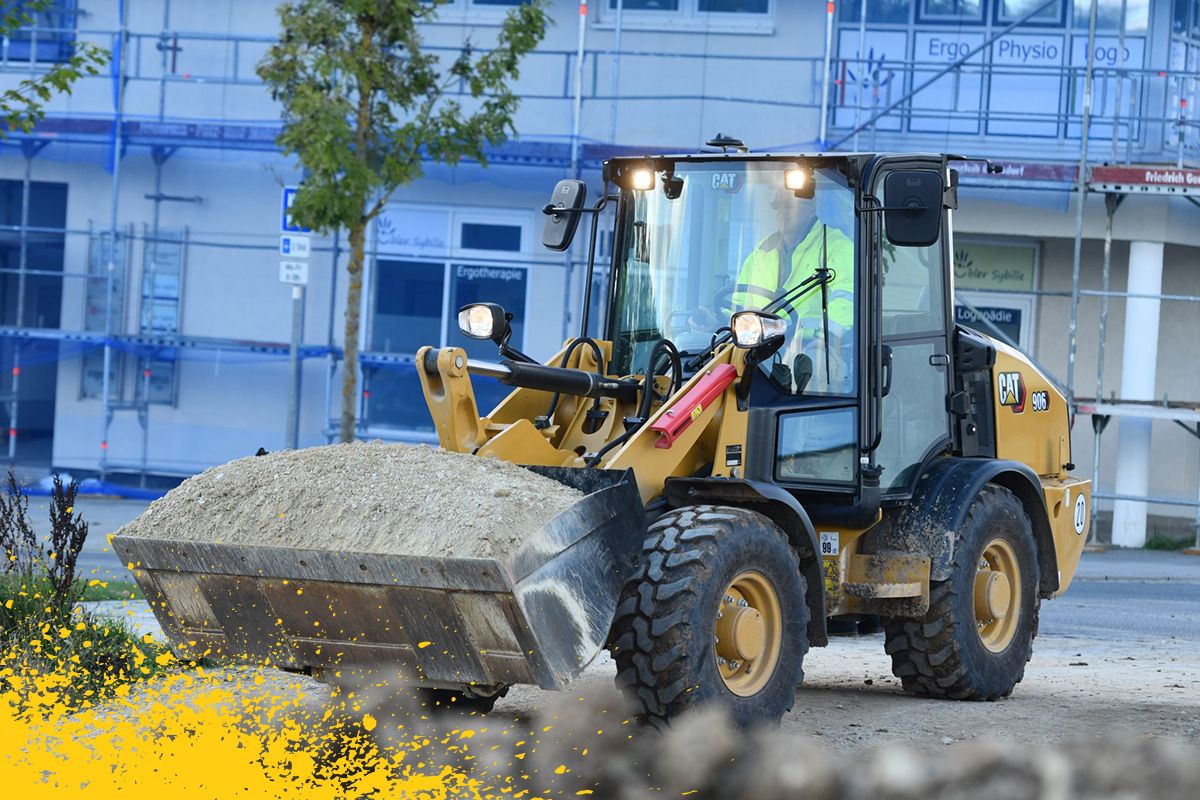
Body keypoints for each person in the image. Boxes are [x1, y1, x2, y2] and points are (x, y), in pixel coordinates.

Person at [733, 186, 855, 393]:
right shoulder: (761, 252)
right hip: (762, 350)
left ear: (810, 209)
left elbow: (847, 298)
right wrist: (716, 321)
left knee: (815, 367)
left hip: (815, 347)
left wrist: (822, 340)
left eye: (788, 205)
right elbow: (738, 303)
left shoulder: (834, 246)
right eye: (777, 206)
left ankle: (808, 424)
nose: (781, 211)